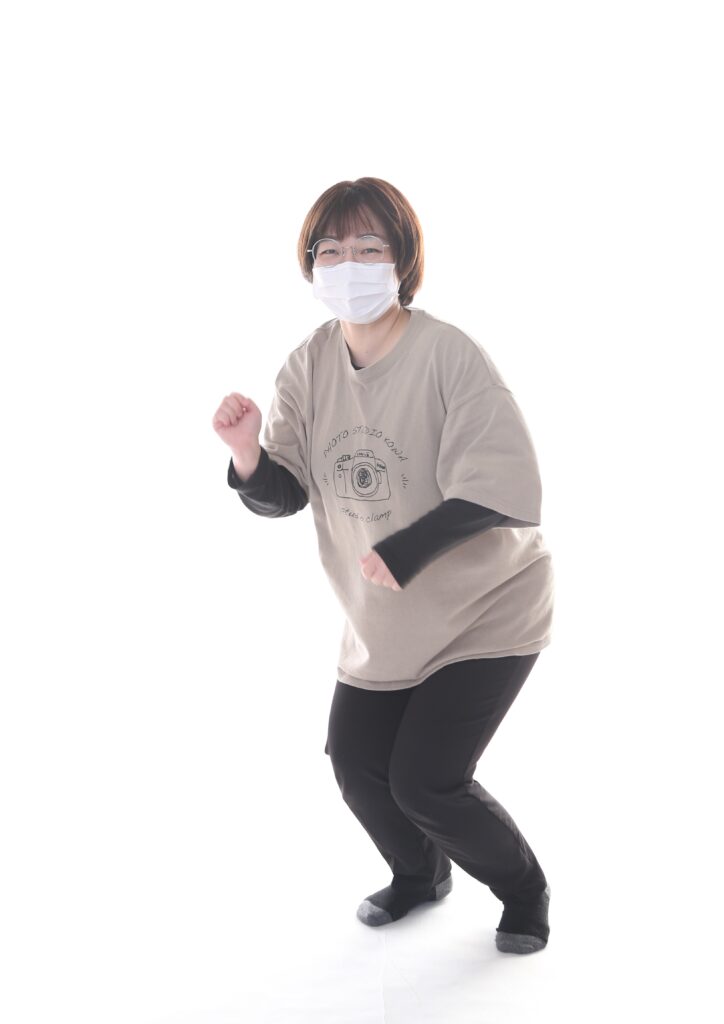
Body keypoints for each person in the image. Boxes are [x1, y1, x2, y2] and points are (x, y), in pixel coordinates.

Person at [212, 177, 554, 954]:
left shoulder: (450, 356)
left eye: (369, 249)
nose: (349, 266)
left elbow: (506, 488)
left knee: (426, 780)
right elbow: (284, 494)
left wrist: (404, 550)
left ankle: (524, 888)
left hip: (488, 609)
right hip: (387, 623)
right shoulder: (308, 365)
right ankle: (420, 874)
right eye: (331, 251)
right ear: (310, 265)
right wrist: (247, 454)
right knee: (358, 765)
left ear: (403, 261)